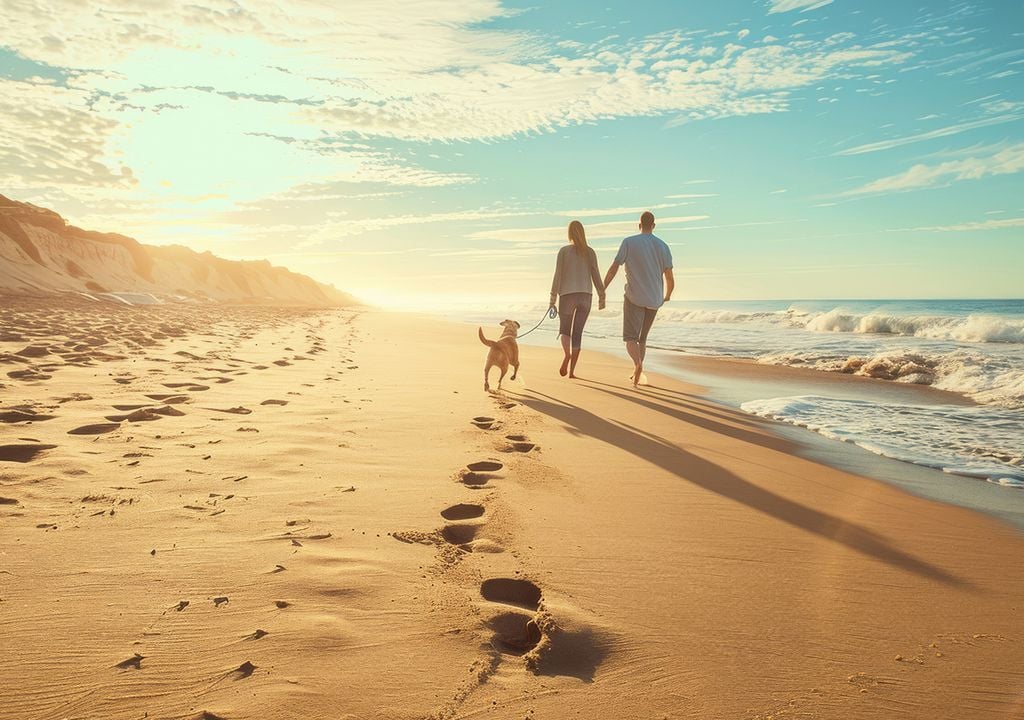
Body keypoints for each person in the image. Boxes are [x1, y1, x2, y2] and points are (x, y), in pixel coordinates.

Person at [603, 211, 674, 387]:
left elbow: (614, 268)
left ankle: (637, 364)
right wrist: (667, 296)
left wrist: (602, 288)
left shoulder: (629, 242)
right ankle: (637, 375)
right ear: (654, 225)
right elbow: (670, 278)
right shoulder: (663, 246)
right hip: (655, 299)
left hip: (634, 297)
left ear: (639, 225)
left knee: (630, 338)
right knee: (642, 339)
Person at [549, 220, 606, 378]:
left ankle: (567, 355)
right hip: (586, 296)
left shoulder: (563, 251)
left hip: (567, 296)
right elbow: (596, 275)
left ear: (569, 234)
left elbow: (557, 275)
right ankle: (572, 372)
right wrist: (602, 296)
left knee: (565, 330)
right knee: (578, 333)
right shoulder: (590, 252)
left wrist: (552, 299)